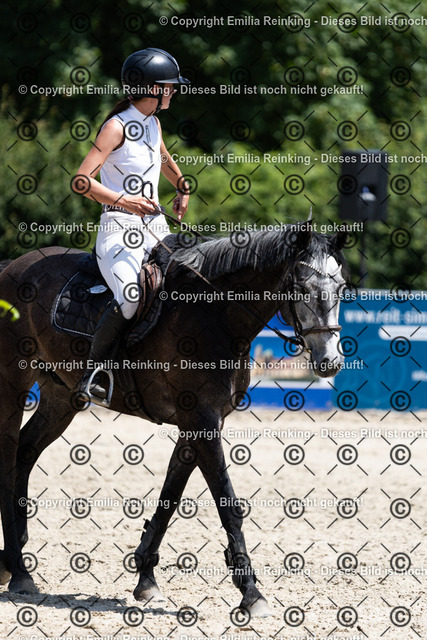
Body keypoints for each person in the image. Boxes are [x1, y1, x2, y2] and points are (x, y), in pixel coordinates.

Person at [74, 48, 190, 405]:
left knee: (189, 280)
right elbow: (81, 181)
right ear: (152, 89)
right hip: (118, 227)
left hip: (156, 227)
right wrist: (125, 201)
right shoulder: (116, 127)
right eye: (169, 86)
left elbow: (162, 156)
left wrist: (182, 185)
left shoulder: (152, 122)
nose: (173, 91)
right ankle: (94, 374)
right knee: (131, 297)